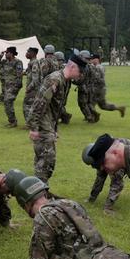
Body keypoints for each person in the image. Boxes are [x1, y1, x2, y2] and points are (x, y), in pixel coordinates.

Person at [27, 51, 87, 180]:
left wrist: (54, 129)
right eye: (80, 72)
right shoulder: (54, 80)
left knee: (44, 160)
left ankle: (40, 189)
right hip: (42, 124)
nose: (80, 75)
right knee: (47, 160)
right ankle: (39, 191)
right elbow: (39, 103)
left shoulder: (64, 81)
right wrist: (33, 128)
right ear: (72, 67)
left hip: (48, 124)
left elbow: (55, 108)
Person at [86, 53, 126, 120]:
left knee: (90, 103)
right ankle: (120, 108)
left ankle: (93, 117)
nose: (91, 60)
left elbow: (98, 78)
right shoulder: (97, 67)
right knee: (103, 106)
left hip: (98, 89)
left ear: (97, 59)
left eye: (92, 59)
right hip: (100, 89)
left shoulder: (98, 67)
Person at [0, 46, 23, 127]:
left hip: (13, 86)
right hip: (6, 86)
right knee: (7, 102)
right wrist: (0, 56)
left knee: (8, 101)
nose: (5, 54)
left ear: (11, 54)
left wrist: (17, 86)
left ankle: (13, 121)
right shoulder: (5, 61)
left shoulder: (17, 62)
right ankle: (12, 121)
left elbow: (19, 75)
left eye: (7, 53)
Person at [22, 47, 42, 125]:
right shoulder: (31, 62)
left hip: (33, 90)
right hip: (33, 89)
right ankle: (32, 123)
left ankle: (30, 124)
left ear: (33, 54)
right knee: (31, 107)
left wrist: (29, 89)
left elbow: (35, 79)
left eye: (29, 52)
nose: (27, 53)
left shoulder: (35, 63)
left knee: (27, 106)